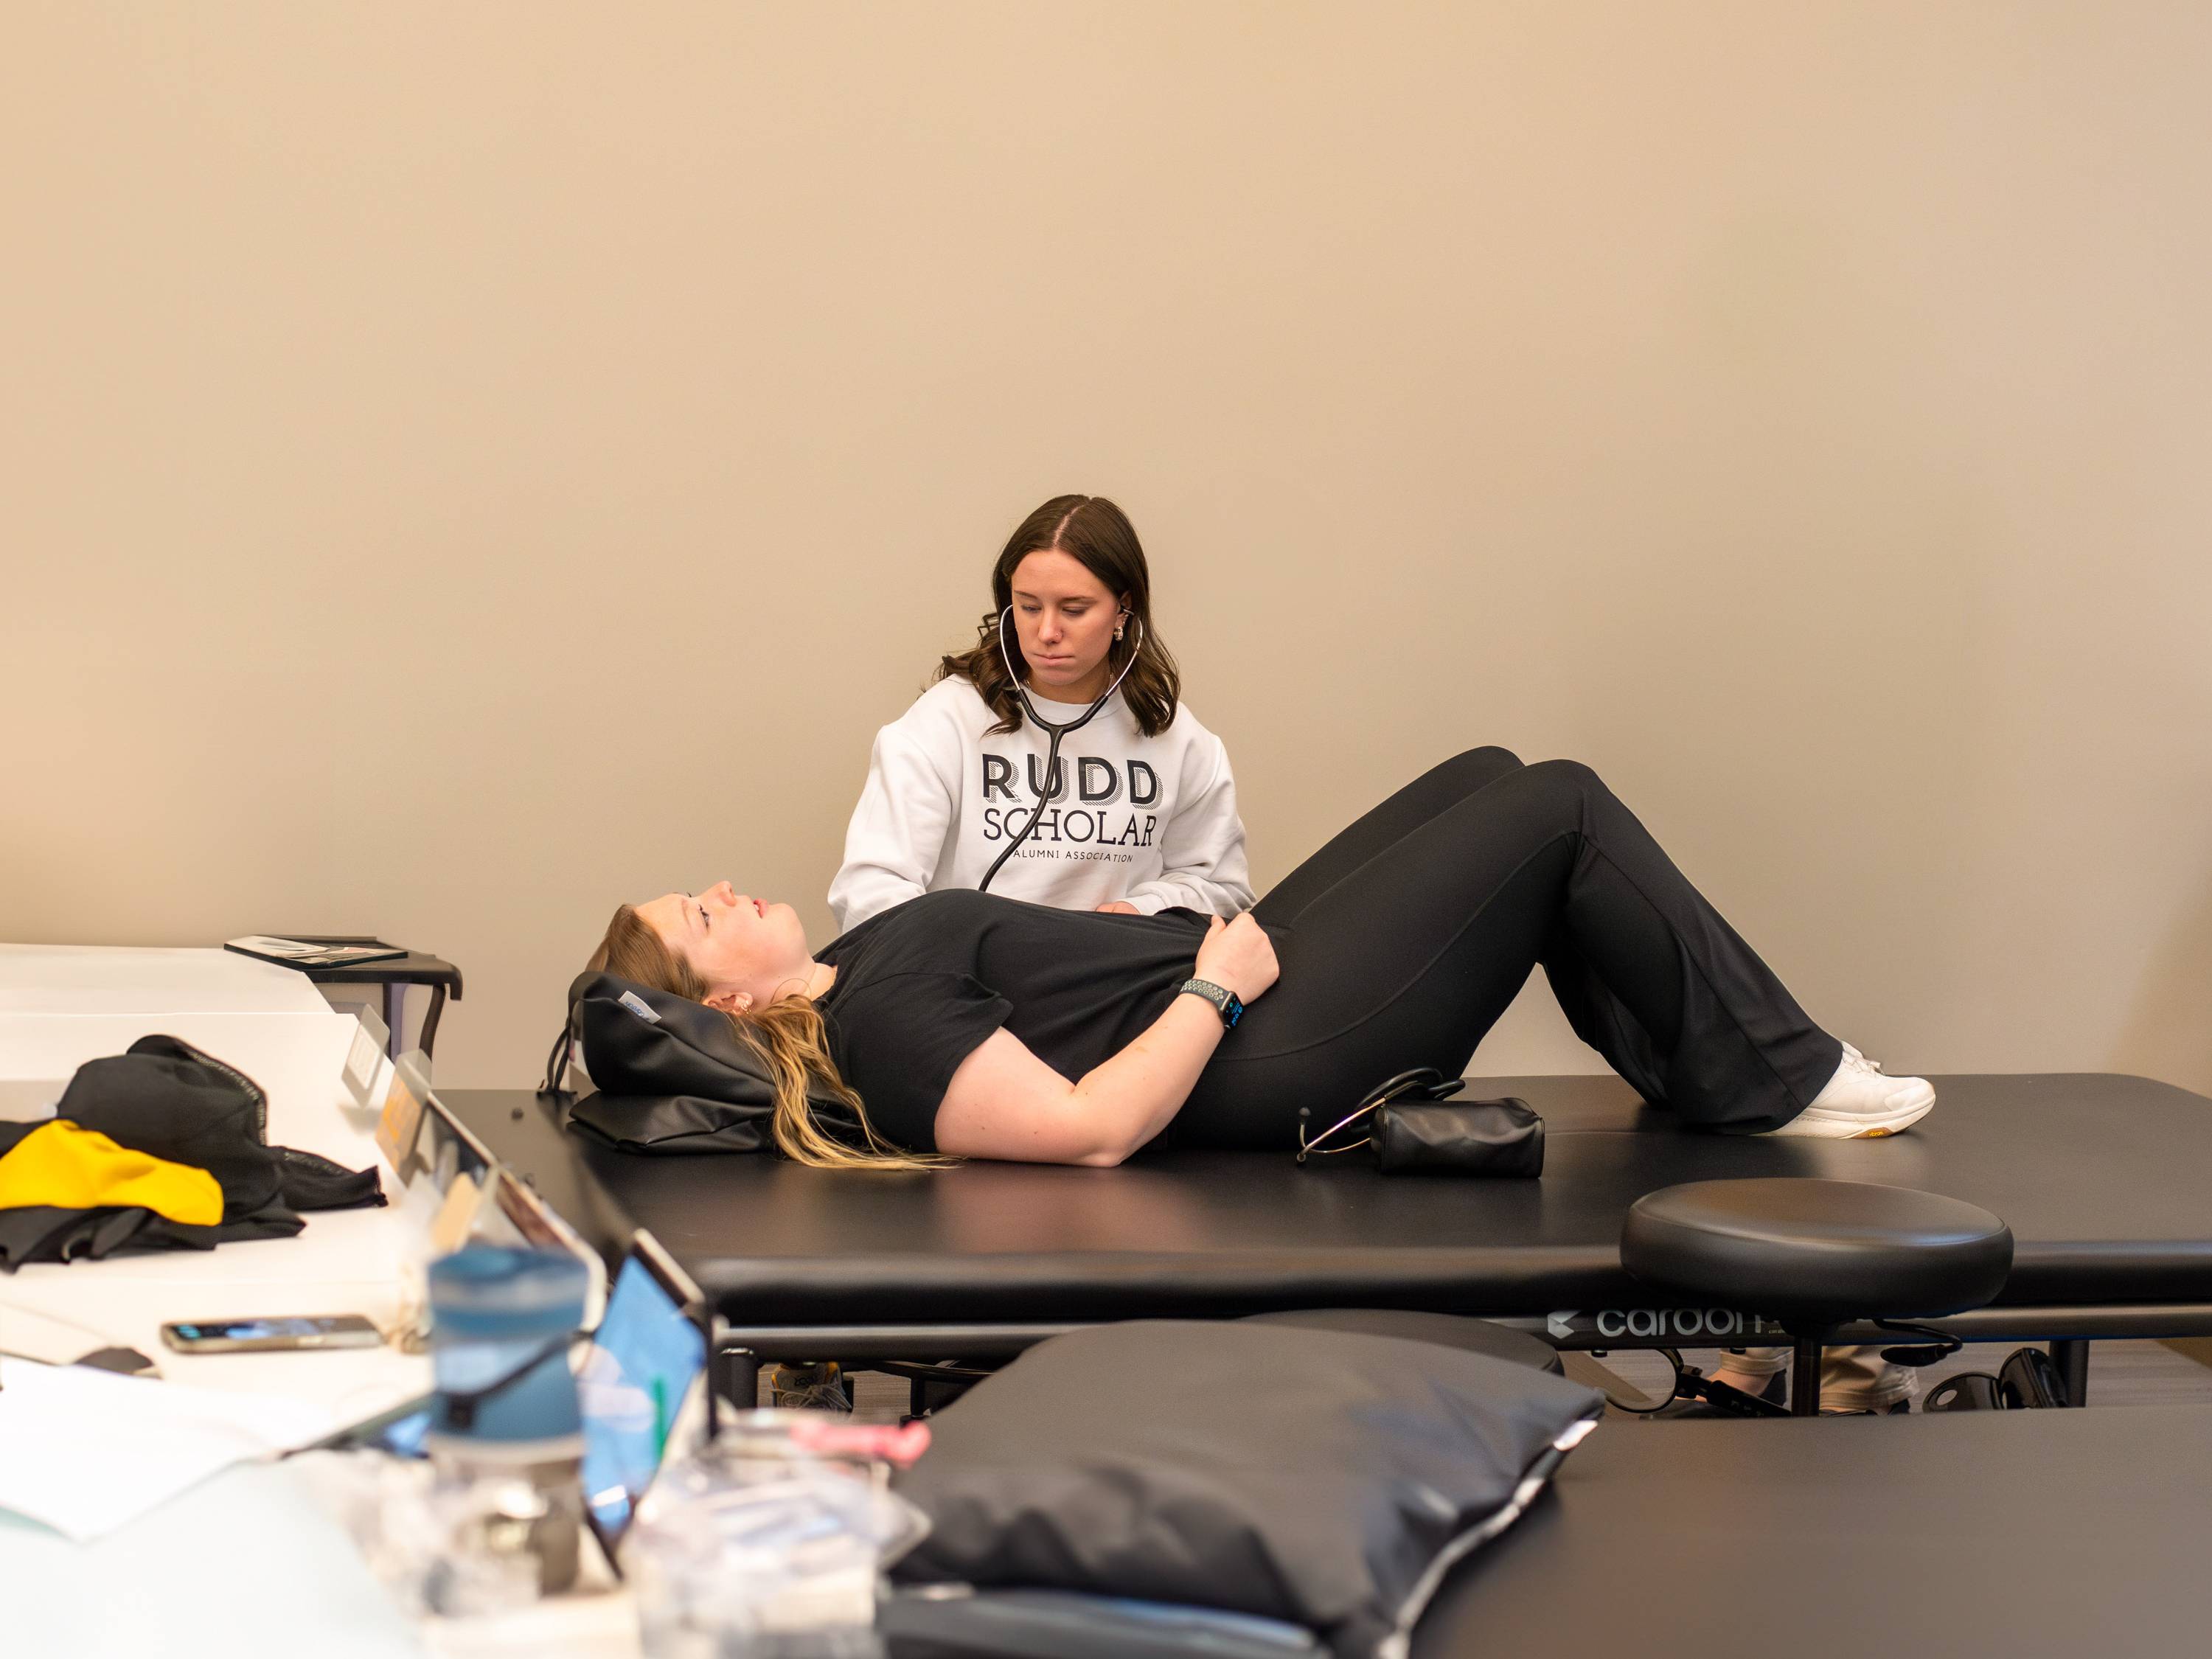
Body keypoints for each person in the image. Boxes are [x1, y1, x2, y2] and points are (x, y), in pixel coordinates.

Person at [588, 747, 1934, 1168]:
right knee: (1559, 808)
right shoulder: (875, 1019)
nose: (722, 888)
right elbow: (1089, 1129)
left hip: (1224, 995)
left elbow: (1044, 1008)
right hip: (1265, 1056)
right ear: (732, 998)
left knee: (1489, 775)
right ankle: (1778, 1072)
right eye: (702, 914)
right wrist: (1211, 986)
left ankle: (1714, 1070)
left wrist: (1112, 947)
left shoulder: (870, 953)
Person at [828, 495, 1253, 931]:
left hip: (1114, 980)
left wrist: (1141, 910)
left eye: (1073, 610)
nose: (1047, 632)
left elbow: (1222, 888)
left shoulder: (1180, 739)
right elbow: (871, 890)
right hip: (971, 981)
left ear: (1123, 610)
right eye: (1029, 607)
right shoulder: (945, 722)